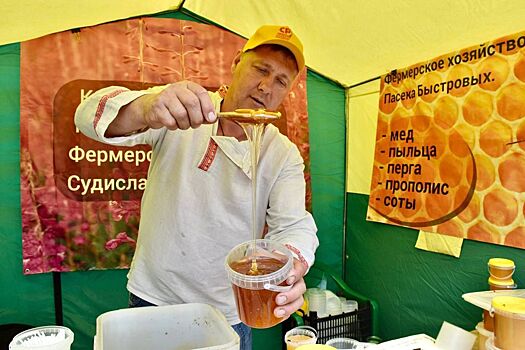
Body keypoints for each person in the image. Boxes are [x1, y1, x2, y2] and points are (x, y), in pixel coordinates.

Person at [75, 24, 318, 349]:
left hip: (229, 309)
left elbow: (293, 226)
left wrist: (290, 263)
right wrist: (147, 107)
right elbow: (86, 115)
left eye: (280, 81)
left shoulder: (282, 153)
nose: (265, 87)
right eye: (261, 69)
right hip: (155, 296)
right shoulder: (183, 112)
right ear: (236, 63)